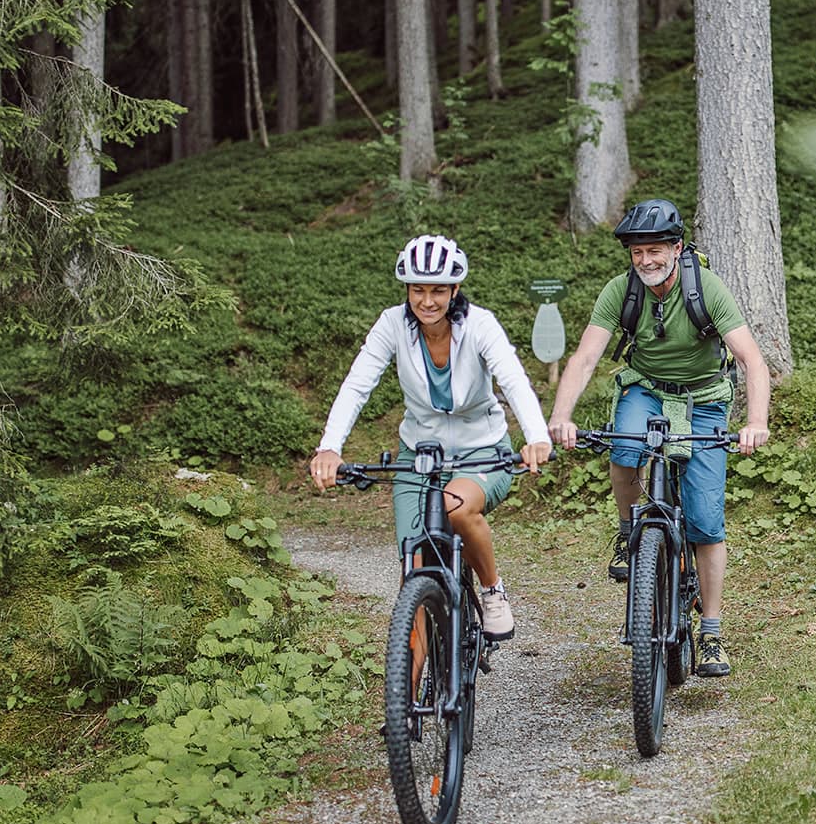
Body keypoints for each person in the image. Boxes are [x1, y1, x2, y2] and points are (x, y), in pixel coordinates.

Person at [546, 199, 772, 677]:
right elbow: (586, 358)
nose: (645, 260)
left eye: (654, 250)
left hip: (705, 399)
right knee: (625, 449)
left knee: (707, 521)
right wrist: (560, 415)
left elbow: (752, 360)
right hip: (646, 391)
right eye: (637, 252)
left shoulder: (706, 289)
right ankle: (631, 534)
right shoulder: (620, 291)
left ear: (676, 248)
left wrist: (755, 421)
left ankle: (709, 630)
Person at [309, 235, 552, 640]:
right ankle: (408, 693)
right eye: (418, 290)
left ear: (454, 289)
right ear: (407, 290)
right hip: (420, 455)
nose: (427, 300)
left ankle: (492, 590)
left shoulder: (480, 325)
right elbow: (357, 385)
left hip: (483, 452)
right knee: (415, 568)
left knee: (454, 509)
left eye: (438, 290)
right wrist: (330, 447)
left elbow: (513, 380)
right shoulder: (392, 324)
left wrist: (536, 437)